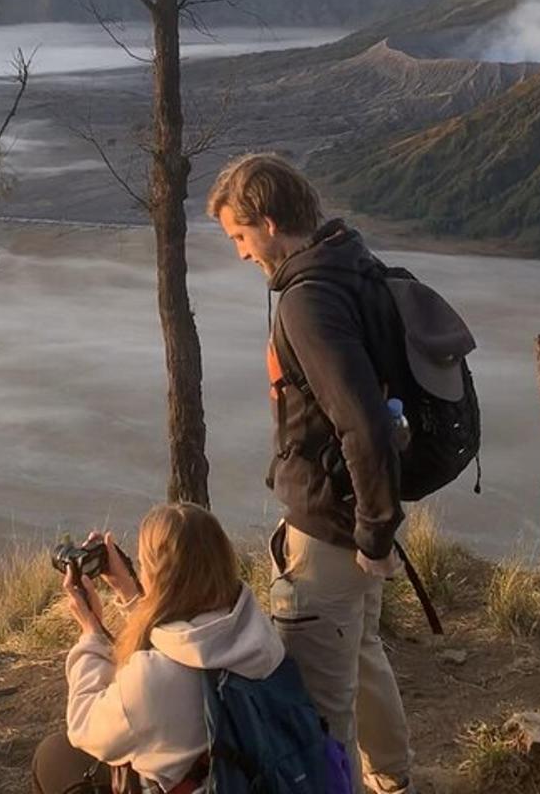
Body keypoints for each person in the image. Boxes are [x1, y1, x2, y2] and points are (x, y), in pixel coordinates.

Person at [207, 153, 417, 794]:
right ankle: (394, 780)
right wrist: (375, 525)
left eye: (239, 238)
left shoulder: (306, 301)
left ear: (268, 224)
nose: (241, 255)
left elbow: (362, 423)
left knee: (324, 702)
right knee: (363, 652)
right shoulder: (351, 262)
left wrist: (376, 534)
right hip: (355, 513)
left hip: (329, 527)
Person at [31, 502, 285, 794]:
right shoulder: (259, 635)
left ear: (157, 576)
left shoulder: (153, 678)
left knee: (53, 755)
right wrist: (129, 592)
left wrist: (91, 634)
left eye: (144, 564)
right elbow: (185, 635)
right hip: (249, 781)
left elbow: (84, 724)